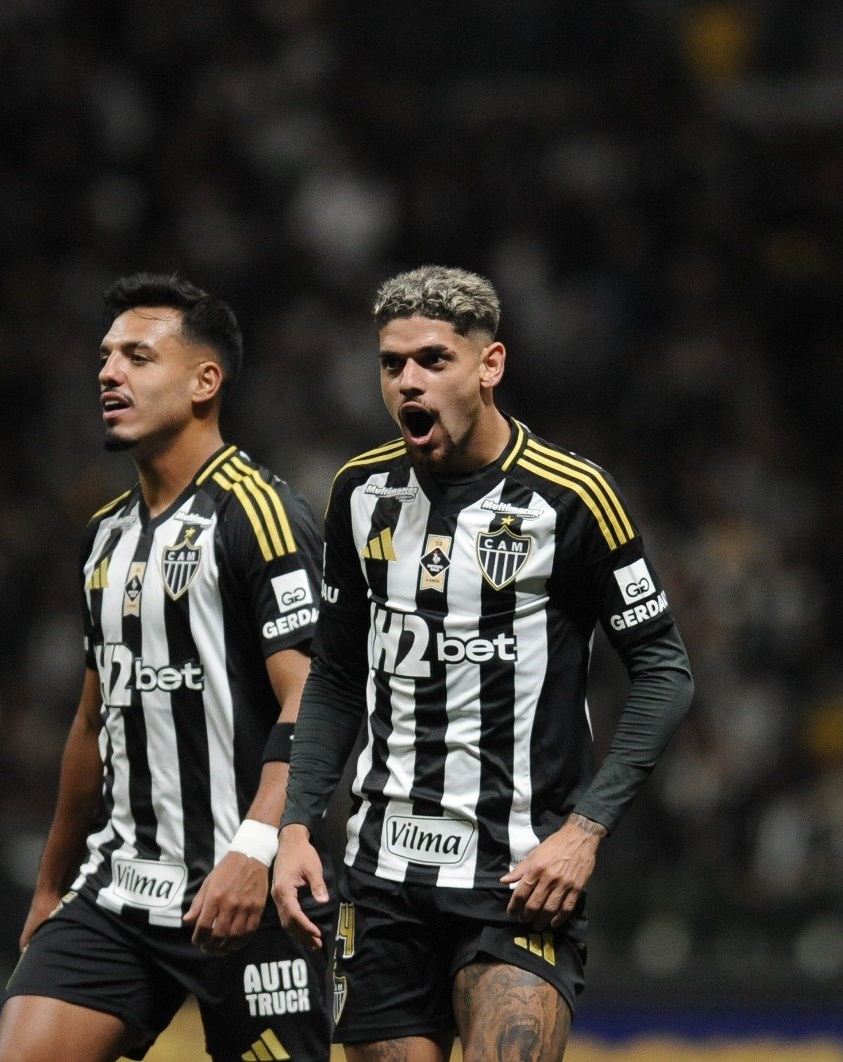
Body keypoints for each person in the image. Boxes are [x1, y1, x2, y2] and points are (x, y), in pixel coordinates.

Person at [269, 265, 693, 1061]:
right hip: (381, 878)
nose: (408, 383)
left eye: (433, 360)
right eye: (392, 364)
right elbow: (333, 674)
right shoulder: (360, 493)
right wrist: (295, 824)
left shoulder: (570, 496)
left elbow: (665, 671)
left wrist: (585, 831)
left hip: (517, 879)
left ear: (489, 366)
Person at [0, 274, 332, 1062]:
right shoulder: (104, 537)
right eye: (106, 357)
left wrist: (253, 851)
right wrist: (52, 884)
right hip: (121, 890)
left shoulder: (261, 513)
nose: (109, 373)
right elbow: (91, 721)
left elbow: (312, 698)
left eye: (138, 357)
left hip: (254, 887)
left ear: (204, 381)